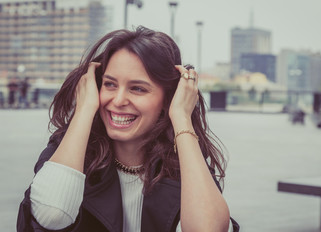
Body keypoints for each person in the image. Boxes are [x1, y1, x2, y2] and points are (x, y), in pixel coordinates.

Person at [17, 26, 240, 232]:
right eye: (110, 84)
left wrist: (182, 117)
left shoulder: (184, 163)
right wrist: (84, 109)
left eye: (138, 88)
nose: (119, 100)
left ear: (168, 99)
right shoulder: (66, 149)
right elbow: (51, 216)